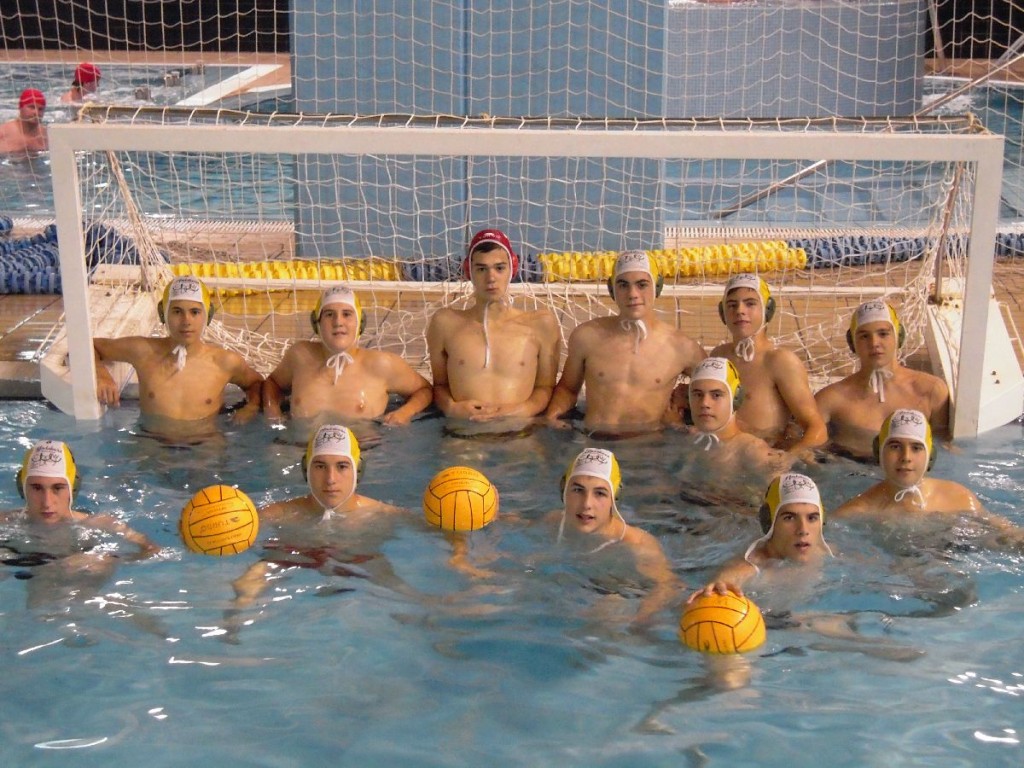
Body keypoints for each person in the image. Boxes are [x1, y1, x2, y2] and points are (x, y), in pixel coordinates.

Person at [227, 425, 413, 634]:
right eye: (320, 466)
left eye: (342, 466)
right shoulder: (278, 513)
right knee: (244, 588)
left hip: (362, 561)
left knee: (407, 598)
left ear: (357, 470)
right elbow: (228, 533)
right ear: (305, 469)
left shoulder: (385, 513)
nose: (331, 479)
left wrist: (458, 552)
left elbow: (438, 529)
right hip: (291, 556)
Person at [544, 250, 705, 435]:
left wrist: (683, 415)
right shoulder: (587, 336)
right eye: (623, 285)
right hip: (594, 444)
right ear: (612, 289)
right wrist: (552, 418)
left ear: (657, 287)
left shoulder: (682, 347)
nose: (632, 294)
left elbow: (719, 392)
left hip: (648, 450)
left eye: (642, 285)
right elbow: (568, 389)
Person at [93, 276, 263, 434]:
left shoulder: (224, 362)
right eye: (176, 311)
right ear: (163, 314)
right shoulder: (143, 351)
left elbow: (256, 383)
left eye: (195, 312)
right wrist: (102, 375)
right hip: (152, 441)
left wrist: (251, 407)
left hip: (205, 444)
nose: (186, 321)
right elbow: (93, 346)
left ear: (207, 316)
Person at [427, 228, 561, 425]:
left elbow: (546, 388)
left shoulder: (541, 324)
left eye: (499, 268)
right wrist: (451, 407)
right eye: (481, 269)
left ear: (512, 269)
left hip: (518, 434)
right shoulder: (445, 323)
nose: (491, 278)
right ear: (469, 271)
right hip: (464, 435)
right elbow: (439, 385)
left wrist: (521, 411)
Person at [263, 285, 432, 426]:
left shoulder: (381, 365)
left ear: (360, 323)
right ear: (317, 324)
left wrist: (405, 413)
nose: (338, 322)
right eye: (329, 314)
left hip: (363, 455)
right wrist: (273, 413)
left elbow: (425, 390)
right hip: (300, 453)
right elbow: (272, 383)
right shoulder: (300, 356)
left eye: (347, 314)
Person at [1, 440, 159, 589]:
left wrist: (108, 560)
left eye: (58, 488)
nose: (47, 502)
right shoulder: (4, 522)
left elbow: (153, 551)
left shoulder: (102, 524)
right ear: (22, 487)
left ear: (72, 488)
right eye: (37, 488)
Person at [553, 447, 680, 626]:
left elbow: (670, 585)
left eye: (600, 493)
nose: (587, 504)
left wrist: (641, 617)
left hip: (624, 596)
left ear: (615, 498)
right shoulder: (556, 522)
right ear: (564, 490)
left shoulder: (638, 545)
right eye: (578, 490)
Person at [707, 273, 826, 458]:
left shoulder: (780, 362)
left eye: (750, 303)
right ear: (723, 313)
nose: (740, 310)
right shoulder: (719, 356)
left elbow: (817, 429)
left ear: (767, 310)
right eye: (732, 305)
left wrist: (787, 460)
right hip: (724, 456)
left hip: (763, 460)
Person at [815, 300, 950, 459]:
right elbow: (803, 444)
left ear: (898, 336)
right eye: (864, 336)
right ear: (852, 343)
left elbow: (944, 448)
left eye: (883, 334)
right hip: (850, 472)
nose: (874, 343)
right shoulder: (831, 399)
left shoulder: (931, 391)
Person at [688, 472, 833, 600]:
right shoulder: (756, 566)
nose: (803, 530)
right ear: (768, 522)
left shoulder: (825, 552)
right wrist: (720, 584)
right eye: (789, 518)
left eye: (812, 518)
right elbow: (732, 576)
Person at [833, 409, 986, 517]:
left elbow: (1003, 537)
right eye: (895, 446)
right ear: (879, 452)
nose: (906, 457)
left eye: (916, 448)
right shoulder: (857, 512)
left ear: (930, 456)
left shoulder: (960, 498)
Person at [680, 357, 792, 501]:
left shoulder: (752, 451)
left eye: (716, 395)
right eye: (697, 394)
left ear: (735, 399)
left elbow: (779, 506)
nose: (705, 403)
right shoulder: (691, 440)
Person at [0, 89, 48, 154]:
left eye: (40, 109)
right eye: (32, 107)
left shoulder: (46, 134)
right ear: (21, 108)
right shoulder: (3, 132)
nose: (36, 113)